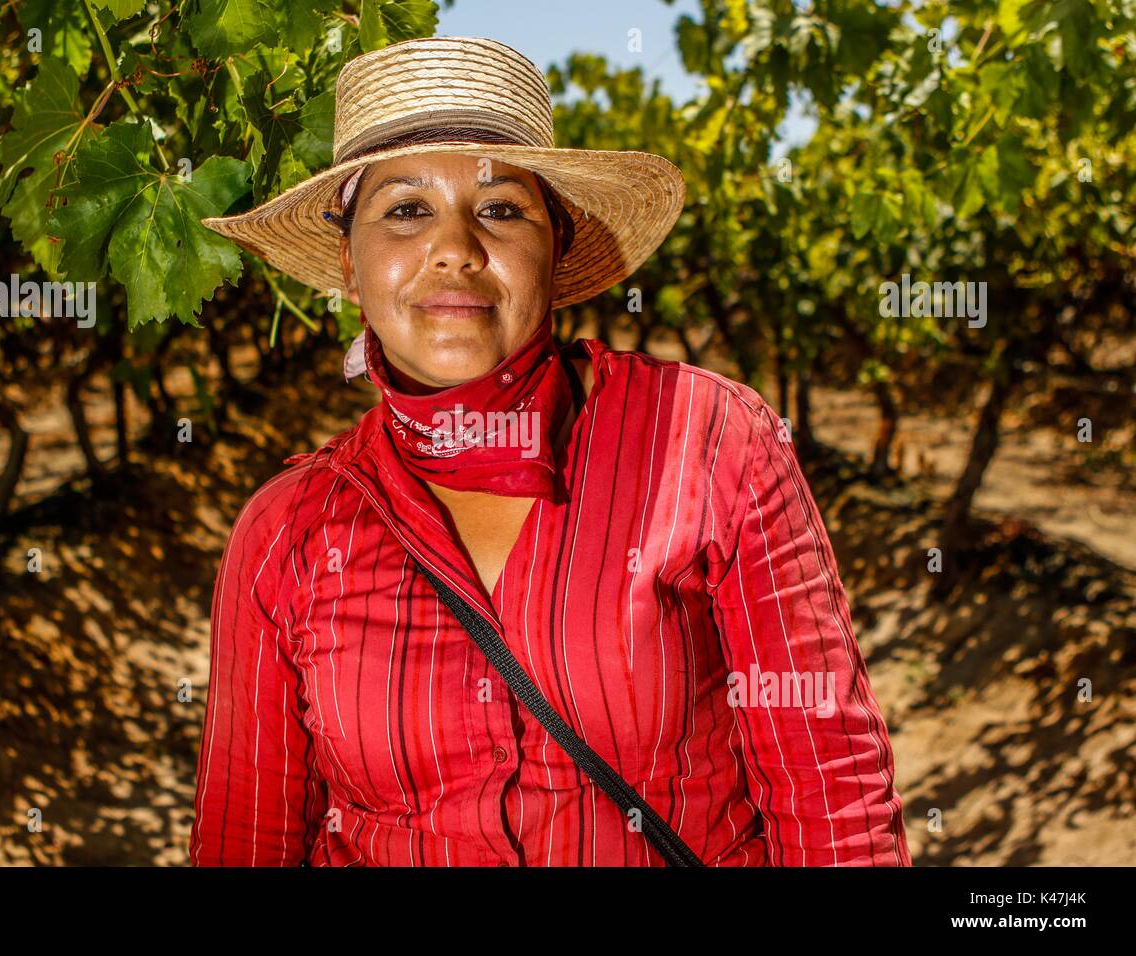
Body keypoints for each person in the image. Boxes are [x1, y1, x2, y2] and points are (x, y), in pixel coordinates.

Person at [189, 35, 911, 867]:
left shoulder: (708, 440)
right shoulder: (287, 533)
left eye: (500, 209)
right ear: (350, 268)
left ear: (558, 250)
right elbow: (247, 843)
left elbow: (833, 803)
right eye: (405, 210)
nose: (455, 246)